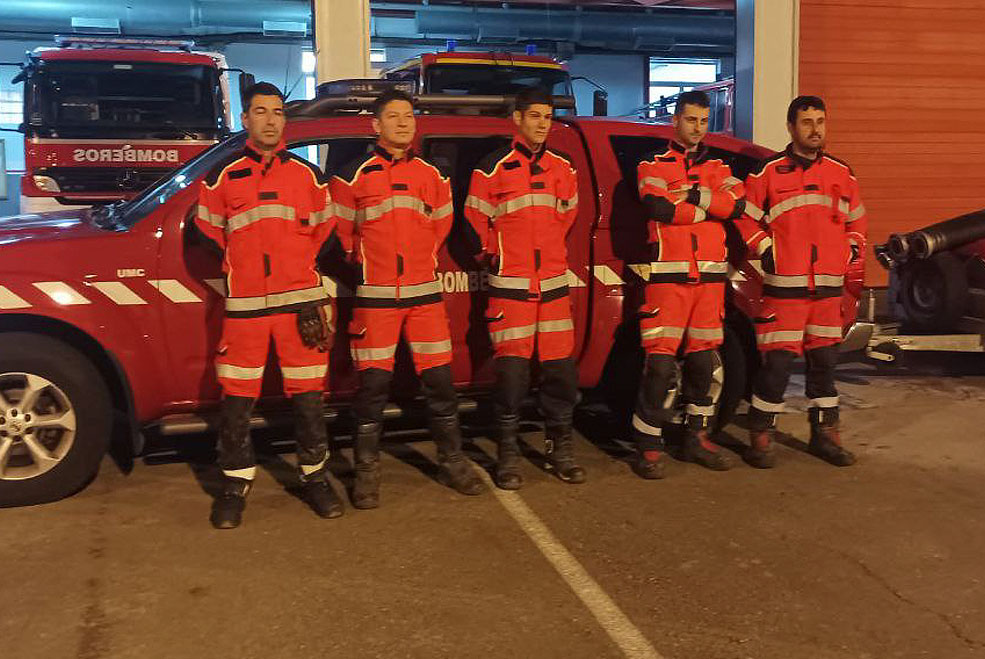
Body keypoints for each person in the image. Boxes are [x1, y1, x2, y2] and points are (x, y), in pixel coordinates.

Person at [330, 88, 485, 509]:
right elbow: (340, 236)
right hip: (375, 299)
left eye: (408, 117)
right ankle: (367, 473)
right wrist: (368, 267)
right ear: (375, 125)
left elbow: (441, 226)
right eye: (393, 117)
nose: (402, 123)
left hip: (424, 298)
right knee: (372, 390)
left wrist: (418, 264)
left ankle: (452, 462)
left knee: (440, 385)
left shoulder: (434, 176)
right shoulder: (351, 176)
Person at [196, 82, 340, 529]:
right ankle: (234, 484)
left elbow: (325, 234)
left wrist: (297, 271)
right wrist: (241, 273)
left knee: (309, 399)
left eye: (278, 112)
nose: (271, 120)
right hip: (246, 309)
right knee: (238, 400)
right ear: (245, 120)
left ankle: (315, 477)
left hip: (300, 305)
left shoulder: (308, 176)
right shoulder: (222, 176)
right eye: (261, 112)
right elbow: (207, 234)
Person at [737, 95, 867, 468]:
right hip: (784, 290)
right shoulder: (767, 172)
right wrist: (764, 247)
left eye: (820, 122)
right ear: (791, 127)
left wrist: (851, 249)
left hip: (827, 291)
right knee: (776, 366)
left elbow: (857, 220)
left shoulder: (842, 173)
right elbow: (744, 217)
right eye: (807, 122)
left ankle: (825, 435)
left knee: (824, 365)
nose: (815, 130)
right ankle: (761, 436)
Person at [464, 86, 585, 490]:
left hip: (552, 287)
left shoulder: (564, 167)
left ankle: (560, 449)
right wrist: (493, 256)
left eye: (548, 117)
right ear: (517, 119)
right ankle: (508, 456)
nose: (542, 124)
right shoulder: (492, 167)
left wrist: (548, 256)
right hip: (511, 288)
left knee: (561, 375)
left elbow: (567, 217)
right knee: (512, 379)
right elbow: (473, 220)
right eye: (535, 116)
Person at [630, 90, 746, 479]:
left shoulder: (718, 166)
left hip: (709, 282)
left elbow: (738, 205)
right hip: (668, 279)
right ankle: (648, 446)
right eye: (691, 119)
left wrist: (695, 196)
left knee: (702, 364)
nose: (698, 128)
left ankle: (696, 438)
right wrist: (710, 209)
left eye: (703, 121)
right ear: (675, 120)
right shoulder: (652, 164)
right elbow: (658, 207)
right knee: (660, 367)